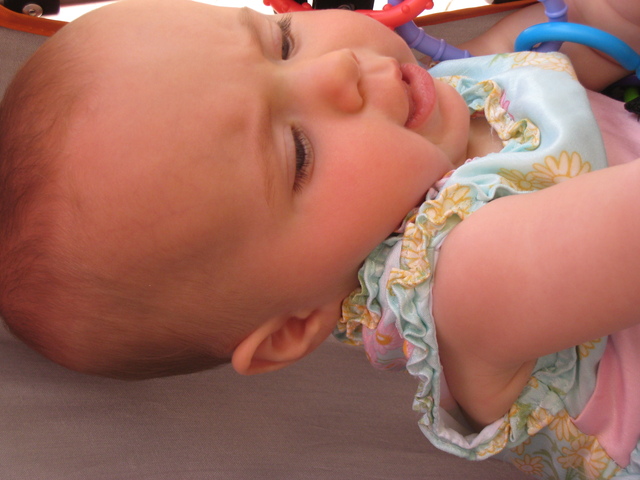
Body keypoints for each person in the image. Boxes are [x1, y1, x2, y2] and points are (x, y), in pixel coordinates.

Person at [0, 0, 638, 477]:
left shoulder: (448, 88)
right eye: (298, 152)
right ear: (291, 328)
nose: (337, 70)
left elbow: (587, 33)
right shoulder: (470, 281)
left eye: (281, 41)